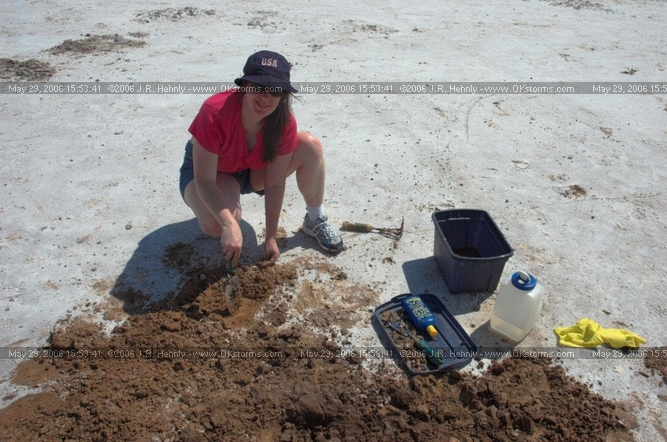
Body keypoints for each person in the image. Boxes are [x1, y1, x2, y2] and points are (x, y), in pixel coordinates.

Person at [179, 50, 343, 268]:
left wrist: (271, 238)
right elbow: (205, 182)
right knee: (217, 224)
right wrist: (228, 224)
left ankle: (315, 218)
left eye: (275, 91)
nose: (266, 97)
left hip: (252, 171)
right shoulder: (214, 111)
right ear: (245, 85)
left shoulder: (283, 121)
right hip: (213, 172)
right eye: (259, 87)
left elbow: (274, 183)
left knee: (309, 146)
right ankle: (224, 214)